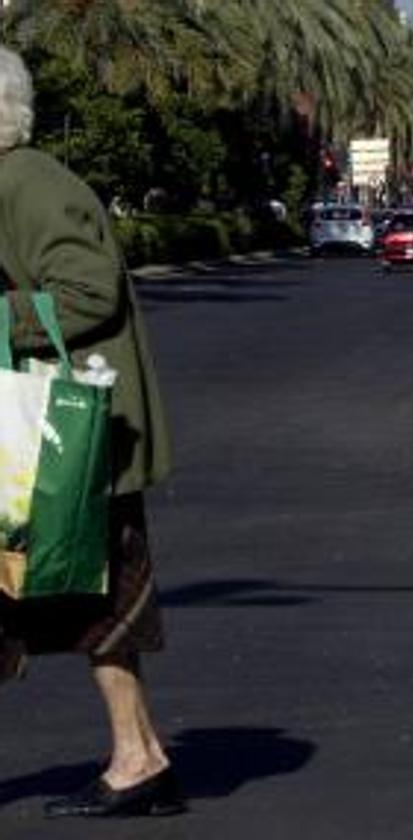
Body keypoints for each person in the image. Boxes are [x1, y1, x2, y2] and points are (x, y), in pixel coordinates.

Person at [0, 47, 183, 818]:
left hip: (62, 443)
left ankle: (141, 759)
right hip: (47, 446)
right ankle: (141, 757)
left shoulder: (27, 182)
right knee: (91, 609)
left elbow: (87, 292)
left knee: (84, 604)